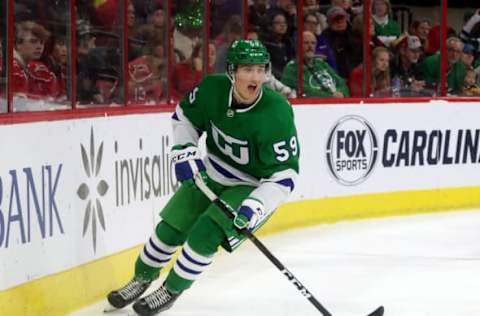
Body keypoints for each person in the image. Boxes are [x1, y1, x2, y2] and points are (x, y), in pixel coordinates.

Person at [106, 39, 299, 316]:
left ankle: (171, 289)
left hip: (251, 185)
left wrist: (256, 205)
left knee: (205, 234)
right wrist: (184, 149)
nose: (255, 77)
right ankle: (142, 278)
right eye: (247, 69)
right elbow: (184, 117)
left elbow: (284, 175)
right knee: (170, 228)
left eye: (260, 69)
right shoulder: (211, 89)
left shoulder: (277, 112)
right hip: (212, 172)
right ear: (232, 72)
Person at [281, 31, 349, 97]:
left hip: (335, 103)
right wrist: (330, 97)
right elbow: (304, 91)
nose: (310, 46)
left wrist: (342, 93)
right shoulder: (291, 68)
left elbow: (341, 83)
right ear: (297, 45)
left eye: (313, 43)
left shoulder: (322, 64)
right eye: (306, 43)